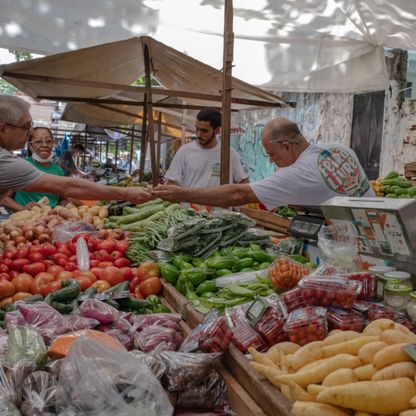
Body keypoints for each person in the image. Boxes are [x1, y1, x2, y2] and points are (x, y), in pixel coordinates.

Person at [153, 117, 375, 209]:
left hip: (354, 249)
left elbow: (238, 194)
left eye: (272, 154)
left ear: (287, 146)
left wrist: (181, 194)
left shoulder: (299, 172)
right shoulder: (339, 147)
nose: (271, 160)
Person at [0, 95, 154, 207]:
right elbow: (67, 186)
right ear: (2, 129)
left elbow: (64, 192)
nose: (29, 133)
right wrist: (125, 193)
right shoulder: (7, 163)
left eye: (48, 141)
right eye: (26, 127)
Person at [164, 107, 248, 189]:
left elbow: (244, 183)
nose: (199, 134)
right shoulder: (184, 151)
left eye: (204, 131)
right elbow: (171, 183)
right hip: (190, 203)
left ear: (217, 130)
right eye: (197, 129)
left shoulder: (229, 154)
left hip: (219, 203)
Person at [2, 124, 67, 211]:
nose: (45, 145)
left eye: (48, 141)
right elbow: (5, 199)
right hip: (24, 220)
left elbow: (63, 199)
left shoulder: (58, 170)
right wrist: (23, 208)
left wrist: (59, 209)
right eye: (38, 141)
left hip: (50, 220)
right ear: (30, 146)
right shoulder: (20, 166)